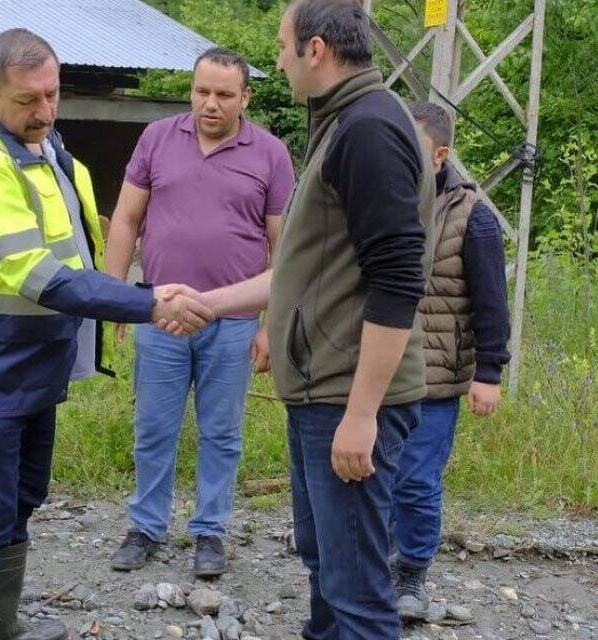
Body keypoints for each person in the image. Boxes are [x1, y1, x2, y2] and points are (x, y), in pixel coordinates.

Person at [0, 28, 215, 640]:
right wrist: (147, 302)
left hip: (31, 367)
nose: (44, 111)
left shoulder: (43, 149)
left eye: (53, 95)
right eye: (27, 100)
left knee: (20, 502)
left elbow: (77, 252)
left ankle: (0, 628)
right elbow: (43, 277)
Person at [182, 1, 436, 637]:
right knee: (328, 564)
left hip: (346, 393)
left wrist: (361, 413)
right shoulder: (340, 122)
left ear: (315, 49)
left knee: (356, 590)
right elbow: (304, 270)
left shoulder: (369, 130)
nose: (277, 58)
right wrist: (207, 303)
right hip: (321, 388)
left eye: (281, 44)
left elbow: (399, 279)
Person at [105, 47, 295, 578]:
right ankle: (146, 526)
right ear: (192, 89)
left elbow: (284, 249)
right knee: (153, 425)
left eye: (224, 95)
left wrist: (268, 325)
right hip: (161, 313)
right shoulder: (157, 138)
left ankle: (210, 532)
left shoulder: (272, 155)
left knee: (222, 431)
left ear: (246, 98)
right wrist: (117, 296)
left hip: (232, 322)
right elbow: (125, 219)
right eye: (202, 92)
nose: (210, 104)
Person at [390, 102, 510, 620]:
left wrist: (489, 372)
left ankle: (412, 574)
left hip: (437, 378)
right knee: (372, 475)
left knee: (417, 480)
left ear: (440, 155)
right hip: (376, 372)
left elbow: (491, 301)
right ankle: (373, 570)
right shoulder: (381, 199)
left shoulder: (474, 216)